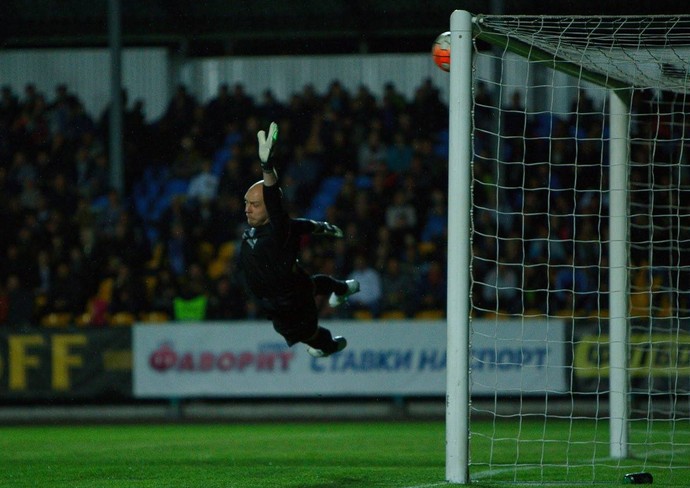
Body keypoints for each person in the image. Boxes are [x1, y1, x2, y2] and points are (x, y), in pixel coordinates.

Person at [239, 122, 359, 358]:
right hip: (289, 288)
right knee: (312, 284)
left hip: (287, 304)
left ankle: (329, 346)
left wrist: (266, 166)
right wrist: (322, 227)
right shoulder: (268, 229)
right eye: (246, 203)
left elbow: (274, 201)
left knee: (309, 335)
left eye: (254, 205)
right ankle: (343, 287)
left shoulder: (277, 228)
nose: (247, 209)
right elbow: (301, 225)